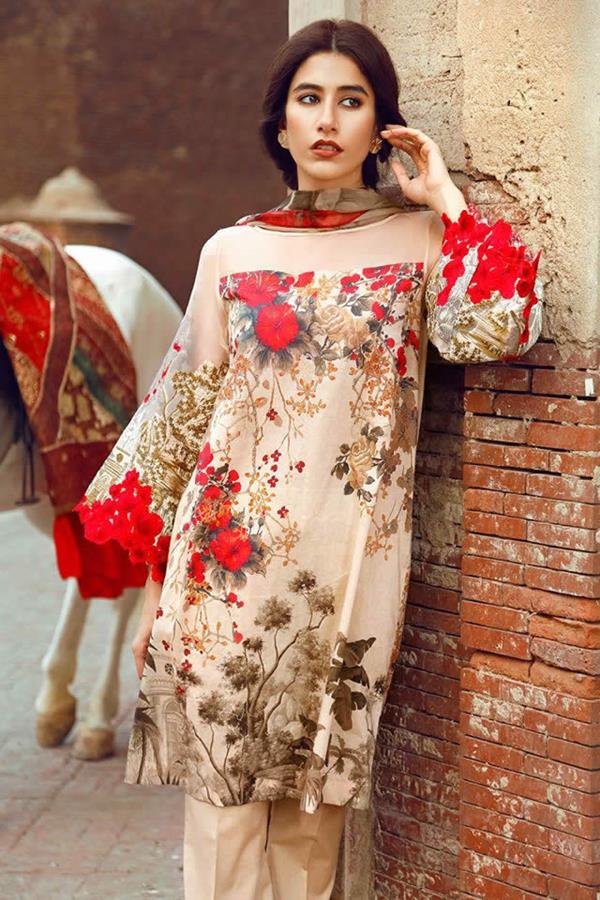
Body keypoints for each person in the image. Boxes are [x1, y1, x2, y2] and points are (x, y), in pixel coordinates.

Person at [76, 17, 544, 900]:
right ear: (281, 123)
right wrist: (154, 596)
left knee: (310, 832)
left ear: (381, 126)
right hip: (221, 576)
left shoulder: (419, 244)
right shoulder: (232, 251)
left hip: (348, 579)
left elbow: (495, 330)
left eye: (351, 101)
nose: (328, 120)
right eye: (309, 99)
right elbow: (180, 423)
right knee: (222, 828)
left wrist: (448, 201)